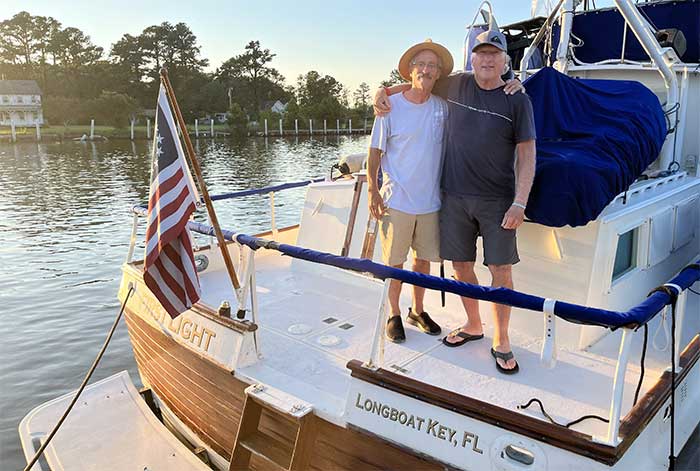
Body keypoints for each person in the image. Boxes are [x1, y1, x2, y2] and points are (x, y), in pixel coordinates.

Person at [374, 29, 536, 374]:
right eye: (482, 53)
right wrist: (383, 91)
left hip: (497, 200)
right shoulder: (456, 85)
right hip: (453, 197)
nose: (488, 60)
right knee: (461, 265)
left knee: (500, 270)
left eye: (495, 54)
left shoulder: (517, 99)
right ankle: (474, 324)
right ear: (472, 59)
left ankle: (502, 340)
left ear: (506, 61)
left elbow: (527, 154)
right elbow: (420, 84)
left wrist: (520, 202)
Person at [367, 39, 452, 343]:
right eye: (421, 65)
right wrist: (372, 192)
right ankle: (393, 313)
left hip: (431, 201)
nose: (427, 70)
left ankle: (417, 310)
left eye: (432, 66)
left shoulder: (443, 108)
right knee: (395, 262)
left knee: (423, 261)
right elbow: (374, 153)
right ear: (411, 71)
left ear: (438, 73)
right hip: (396, 198)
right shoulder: (390, 108)